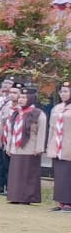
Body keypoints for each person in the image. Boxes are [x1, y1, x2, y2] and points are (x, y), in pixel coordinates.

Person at [4, 87, 46, 205]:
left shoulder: (37, 114)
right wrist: (9, 146)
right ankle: (15, 196)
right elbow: (11, 131)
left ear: (31, 99)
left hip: (30, 147)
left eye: (24, 98)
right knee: (16, 173)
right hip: (16, 148)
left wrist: (39, 147)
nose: (21, 100)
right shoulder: (17, 113)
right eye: (20, 97)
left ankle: (27, 197)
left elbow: (41, 132)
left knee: (28, 173)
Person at [49, 82, 71, 212]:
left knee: (69, 174)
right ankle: (61, 201)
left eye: (66, 91)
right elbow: (52, 128)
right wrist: (49, 144)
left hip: (69, 145)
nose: (63, 94)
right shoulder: (57, 108)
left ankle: (69, 202)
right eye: (61, 91)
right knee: (60, 174)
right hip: (57, 145)